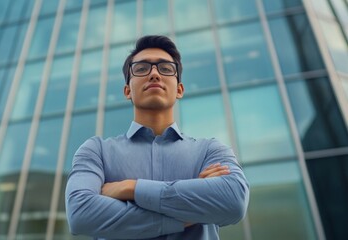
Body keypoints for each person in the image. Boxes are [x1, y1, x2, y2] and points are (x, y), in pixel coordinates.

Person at [65, 35, 249, 239]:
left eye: (166, 68)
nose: (154, 74)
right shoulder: (96, 151)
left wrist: (131, 188)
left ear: (179, 89)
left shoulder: (211, 151)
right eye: (142, 69)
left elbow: (234, 201)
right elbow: (80, 214)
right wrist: (191, 209)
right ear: (128, 91)